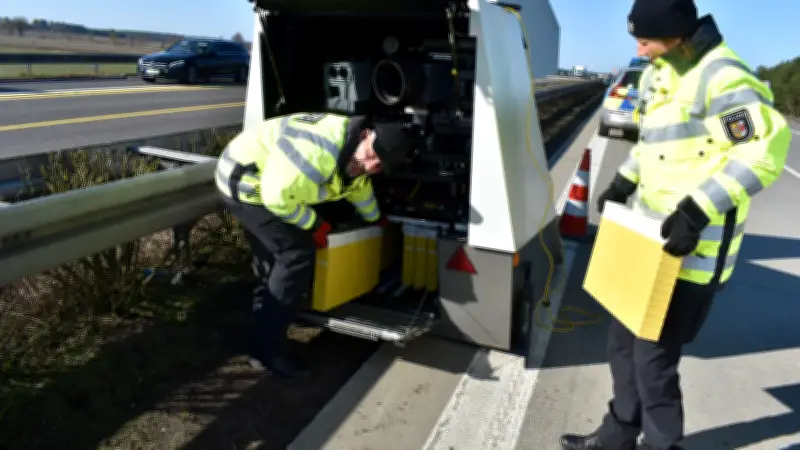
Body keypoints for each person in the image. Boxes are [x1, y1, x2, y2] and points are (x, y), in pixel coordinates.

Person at [560, 0, 791, 449]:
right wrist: (623, 182)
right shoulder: (659, 75)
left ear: (677, 35)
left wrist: (697, 210)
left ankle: (661, 444)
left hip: (693, 250)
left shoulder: (721, 78)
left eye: (645, 41)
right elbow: (652, 143)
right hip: (648, 242)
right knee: (622, 345)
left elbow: (761, 153)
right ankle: (617, 435)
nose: (640, 50)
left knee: (653, 361)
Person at [215, 112, 413, 379]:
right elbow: (276, 198)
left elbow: (358, 188)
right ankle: (268, 350)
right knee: (295, 255)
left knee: (275, 261)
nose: (369, 165)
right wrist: (314, 224)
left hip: (270, 182)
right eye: (371, 154)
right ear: (366, 135)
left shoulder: (354, 152)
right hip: (246, 183)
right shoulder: (319, 154)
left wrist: (375, 218)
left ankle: (263, 328)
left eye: (378, 166)